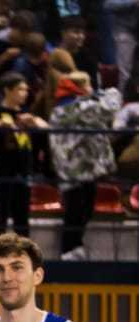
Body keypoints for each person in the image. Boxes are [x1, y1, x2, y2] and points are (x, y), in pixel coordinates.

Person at [49, 72, 121, 261]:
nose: (92, 88)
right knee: (75, 210)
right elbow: (109, 108)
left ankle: (76, 247)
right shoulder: (71, 107)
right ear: (80, 87)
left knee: (85, 208)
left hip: (86, 170)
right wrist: (110, 92)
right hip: (73, 170)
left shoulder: (77, 105)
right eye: (89, 85)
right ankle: (68, 252)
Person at [0, 71, 47, 238]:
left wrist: (34, 123)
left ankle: (24, 250)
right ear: (7, 90)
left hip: (25, 171)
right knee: (1, 214)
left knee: (22, 217)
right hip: (4, 170)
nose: (25, 93)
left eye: (26, 90)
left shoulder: (27, 114)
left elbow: (46, 126)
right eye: (20, 89)